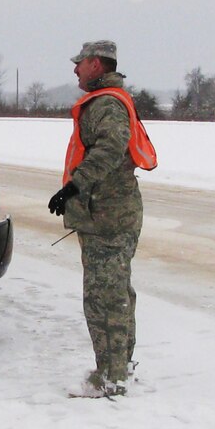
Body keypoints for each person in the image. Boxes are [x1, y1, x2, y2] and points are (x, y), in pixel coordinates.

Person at [49, 40, 157, 398]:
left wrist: (74, 186)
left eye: (80, 63)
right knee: (116, 292)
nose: (76, 70)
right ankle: (119, 366)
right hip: (109, 212)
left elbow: (110, 147)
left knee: (104, 297)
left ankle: (111, 376)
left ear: (96, 64)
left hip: (108, 216)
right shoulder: (106, 100)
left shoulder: (107, 104)